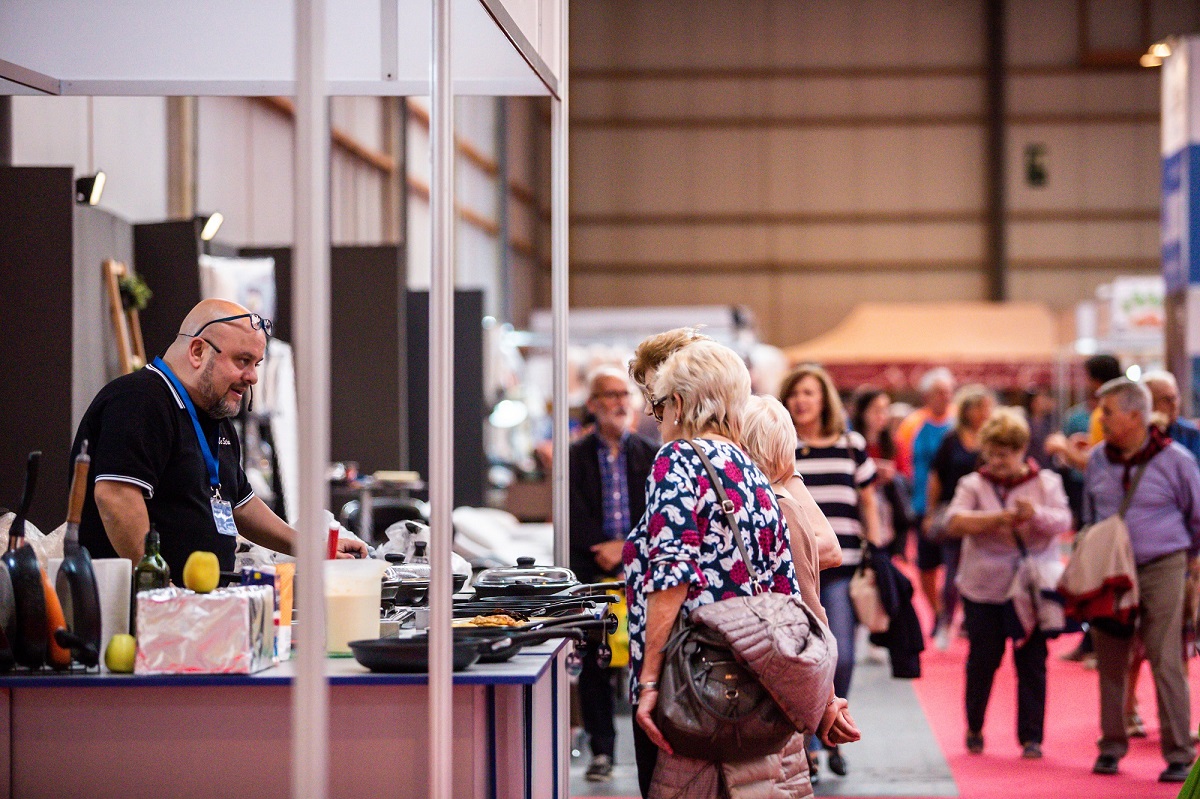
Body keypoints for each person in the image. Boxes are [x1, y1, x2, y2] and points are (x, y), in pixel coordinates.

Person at [625, 340, 856, 799]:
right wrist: (816, 692)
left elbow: (673, 572)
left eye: (660, 401)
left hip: (687, 680)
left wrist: (650, 679)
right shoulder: (750, 470)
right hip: (746, 679)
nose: (658, 414)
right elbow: (786, 588)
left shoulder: (678, 460)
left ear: (681, 400)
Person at [71, 299, 367, 580]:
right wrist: (161, 592)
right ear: (198, 351)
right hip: (141, 613)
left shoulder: (215, 418)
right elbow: (116, 497)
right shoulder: (139, 400)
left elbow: (241, 505)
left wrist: (311, 548)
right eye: (243, 360)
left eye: (256, 364)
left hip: (200, 611)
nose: (252, 377)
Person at [629, 327, 842, 571]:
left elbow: (827, 547)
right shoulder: (686, 451)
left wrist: (736, 566)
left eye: (656, 394)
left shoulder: (750, 425)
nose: (649, 407)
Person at [1085, 378, 1200, 783]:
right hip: (1111, 571)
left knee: (1166, 656)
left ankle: (1178, 754)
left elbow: (1196, 515)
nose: (1101, 418)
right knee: (1111, 660)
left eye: (1108, 412)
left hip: (1162, 565)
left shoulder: (1177, 460)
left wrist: (1193, 569)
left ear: (1135, 415)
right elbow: (1090, 513)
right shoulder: (1098, 458)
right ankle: (1111, 746)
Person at [945, 408, 1071, 760]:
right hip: (983, 586)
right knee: (983, 659)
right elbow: (954, 522)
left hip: (1031, 588)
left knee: (1032, 661)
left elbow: (1063, 520)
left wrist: (1036, 516)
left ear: (1022, 450)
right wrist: (997, 519)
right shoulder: (973, 484)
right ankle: (974, 727)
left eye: (1006, 453)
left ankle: (1032, 738)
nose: (998, 460)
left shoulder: (1046, 482)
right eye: (993, 452)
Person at [782, 364, 882, 780]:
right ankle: (806, 745)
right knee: (799, 659)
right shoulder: (781, 446)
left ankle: (830, 731)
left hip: (843, 568)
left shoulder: (850, 443)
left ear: (824, 398)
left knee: (841, 655)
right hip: (796, 570)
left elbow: (869, 502)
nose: (801, 400)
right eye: (795, 393)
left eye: (809, 392)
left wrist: (876, 553)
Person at [568, 366, 657, 782]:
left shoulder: (649, 453)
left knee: (643, 664)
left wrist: (626, 548)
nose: (619, 401)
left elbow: (657, 514)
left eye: (625, 394)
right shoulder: (575, 456)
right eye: (609, 395)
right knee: (595, 663)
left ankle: (651, 756)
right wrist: (601, 548)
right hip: (591, 571)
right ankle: (601, 750)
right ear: (592, 405)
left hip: (640, 571)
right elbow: (570, 511)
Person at [924, 385, 996, 649]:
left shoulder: (991, 440)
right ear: (968, 410)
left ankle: (972, 622)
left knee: (983, 573)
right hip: (955, 514)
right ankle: (945, 622)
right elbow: (935, 477)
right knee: (953, 573)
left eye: (986, 407)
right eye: (979, 407)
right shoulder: (951, 439)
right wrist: (931, 512)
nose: (983, 413)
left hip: (985, 515)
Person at [894, 367, 956, 633]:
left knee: (956, 567)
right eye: (939, 392)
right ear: (927, 395)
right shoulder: (913, 424)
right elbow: (902, 462)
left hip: (956, 505)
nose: (944, 397)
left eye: (948, 392)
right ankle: (938, 612)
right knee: (927, 565)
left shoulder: (957, 422)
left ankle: (951, 610)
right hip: (922, 505)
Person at [852, 387, 912, 559]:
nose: (882, 415)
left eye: (885, 410)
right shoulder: (851, 443)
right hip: (857, 509)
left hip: (888, 512)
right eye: (876, 410)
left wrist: (891, 476)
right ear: (863, 412)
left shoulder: (894, 444)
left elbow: (906, 477)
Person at [1143, 370, 1200, 463]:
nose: (1174, 405)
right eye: (1166, 399)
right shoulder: (1138, 434)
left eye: (1175, 397)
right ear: (1148, 403)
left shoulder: (1190, 433)